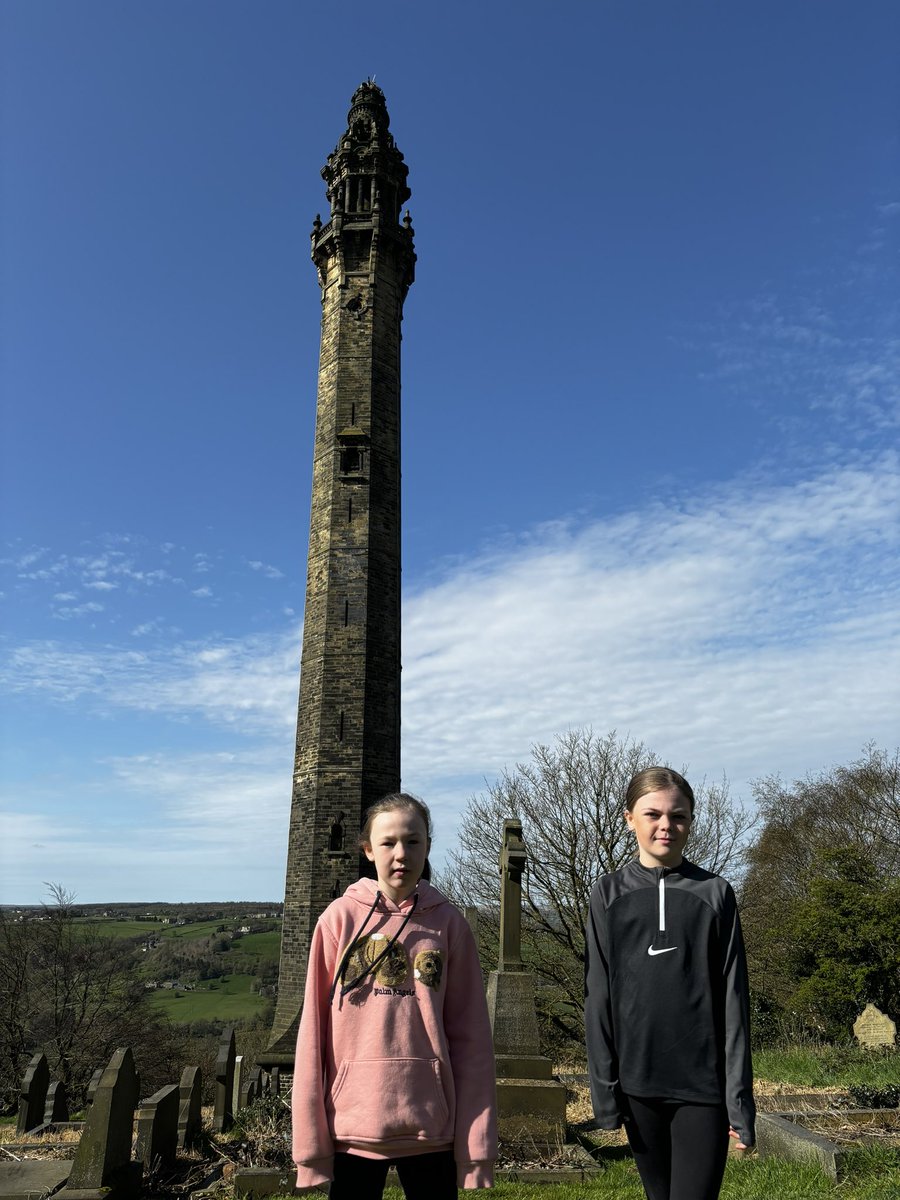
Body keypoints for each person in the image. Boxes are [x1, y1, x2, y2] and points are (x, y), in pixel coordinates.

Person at [292, 792, 497, 1198]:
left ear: (428, 846)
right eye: (387, 843)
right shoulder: (338, 921)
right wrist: (310, 1148)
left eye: (413, 841)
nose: (401, 853)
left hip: (430, 1129)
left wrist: (475, 1150)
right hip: (352, 1128)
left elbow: (472, 1040)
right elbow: (313, 1035)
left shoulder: (449, 925)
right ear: (368, 850)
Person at [584, 767, 755, 1200]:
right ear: (629, 818)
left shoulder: (716, 893)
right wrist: (605, 1093)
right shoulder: (607, 894)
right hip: (638, 1085)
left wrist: (739, 1103)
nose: (666, 826)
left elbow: (734, 1000)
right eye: (653, 814)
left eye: (678, 816)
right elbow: (599, 996)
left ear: (691, 820)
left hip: (703, 1088)